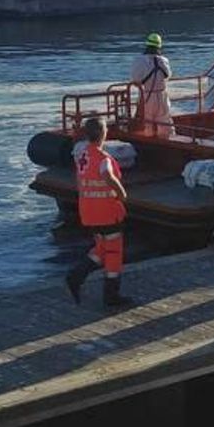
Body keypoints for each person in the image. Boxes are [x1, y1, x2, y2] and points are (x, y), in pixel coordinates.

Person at [64, 118, 132, 307]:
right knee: (114, 251)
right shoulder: (103, 159)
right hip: (107, 212)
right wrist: (122, 193)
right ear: (104, 134)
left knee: (101, 247)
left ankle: (76, 276)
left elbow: (80, 182)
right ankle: (111, 294)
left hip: (89, 212)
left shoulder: (83, 157)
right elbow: (108, 176)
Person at [129, 33, 173, 138]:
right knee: (164, 121)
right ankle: (166, 142)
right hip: (162, 95)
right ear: (159, 46)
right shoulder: (164, 60)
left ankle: (149, 143)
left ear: (147, 45)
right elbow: (168, 76)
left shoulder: (140, 60)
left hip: (147, 95)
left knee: (147, 122)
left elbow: (135, 80)